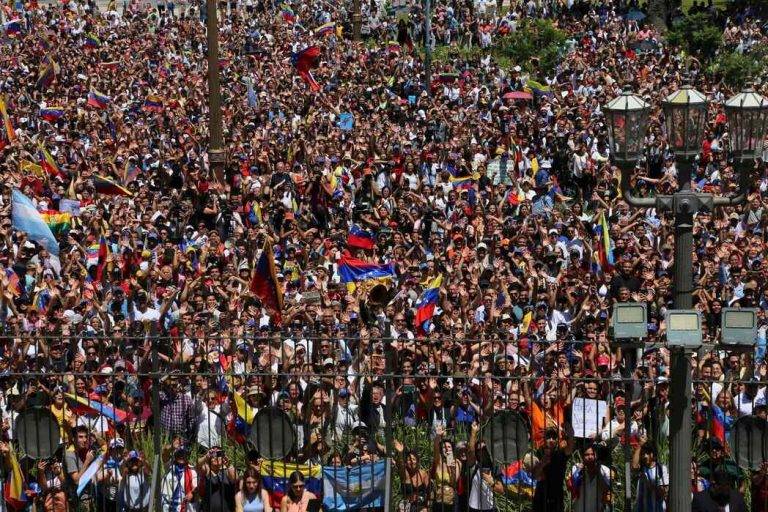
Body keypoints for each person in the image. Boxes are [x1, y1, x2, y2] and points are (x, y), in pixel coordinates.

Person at [533, 427, 574, 511]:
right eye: (548, 437)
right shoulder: (538, 453)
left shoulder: (561, 453)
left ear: (557, 440)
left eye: (554, 437)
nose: (551, 440)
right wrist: (542, 463)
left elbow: (570, 448)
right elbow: (535, 475)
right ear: (544, 439)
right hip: (541, 497)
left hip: (556, 498)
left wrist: (569, 435)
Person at [569, 444, 611, 512]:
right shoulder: (576, 468)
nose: (590, 457)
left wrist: (598, 472)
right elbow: (571, 487)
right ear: (582, 456)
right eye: (587, 455)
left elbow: (606, 489)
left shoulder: (605, 470)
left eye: (592, 454)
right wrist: (578, 472)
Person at [197, 447, 238, 512]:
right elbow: (197, 465)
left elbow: (236, 481)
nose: (215, 457)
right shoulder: (207, 470)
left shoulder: (227, 471)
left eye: (219, 454)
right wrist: (206, 457)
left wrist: (227, 464)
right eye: (213, 454)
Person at [632, 441, 669, 512]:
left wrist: (650, 485)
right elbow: (634, 466)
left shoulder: (661, 468)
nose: (645, 456)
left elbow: (663, 492)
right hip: (642, 508)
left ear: (653, 454)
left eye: (647, 453)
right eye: (643, 453)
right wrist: (639, 445)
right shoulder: (642, 468)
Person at [160, 446, 198, 512]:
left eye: (184, 454)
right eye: (179, 454)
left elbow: (196, 486)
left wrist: (192, 493)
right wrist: (172, 446)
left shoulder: (192, 470)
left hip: (185, 507)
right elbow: (164, 454)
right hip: (168, 507)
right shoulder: (169, 467)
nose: (181, 456)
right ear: (175, 455)